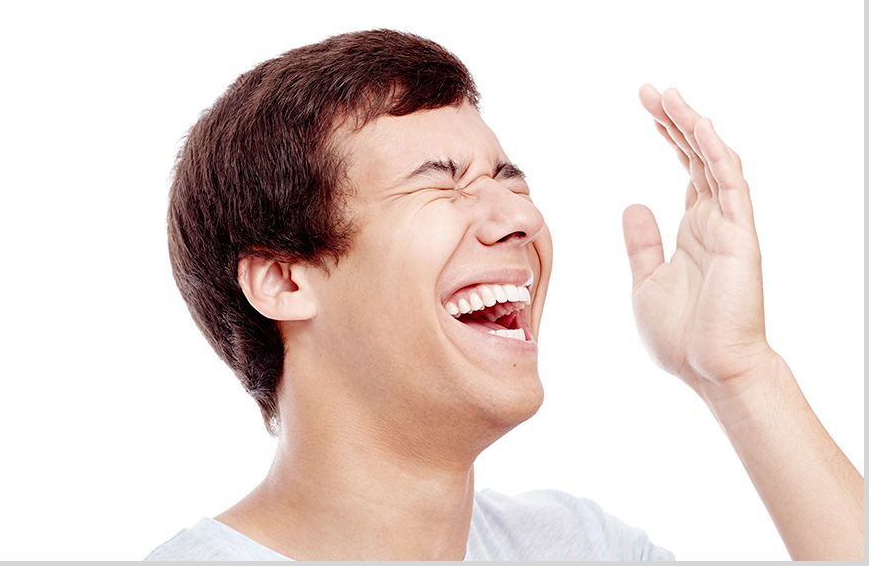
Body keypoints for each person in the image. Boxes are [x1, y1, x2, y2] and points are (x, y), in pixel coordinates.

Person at [148, 30, 863, 561]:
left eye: (509, 179)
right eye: (442, 183)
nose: (521, 216)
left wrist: (737, 370)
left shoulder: (582, 548)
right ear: (284, 280)